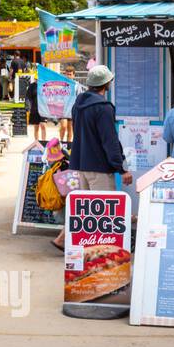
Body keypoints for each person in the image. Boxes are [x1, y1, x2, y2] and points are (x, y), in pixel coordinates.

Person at [53, 64, 132, 248]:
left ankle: (64, 239)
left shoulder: (78, 104)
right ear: (106, 84)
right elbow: (109, 140)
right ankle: (101, 250)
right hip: (99, 167)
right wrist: (121, 168)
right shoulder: (103, 107)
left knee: (84, 210)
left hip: (80, 164)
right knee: (104, 211)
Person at [23, 75, 46, 142]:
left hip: (43, 109)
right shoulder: (32, 86)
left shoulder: (45, 85)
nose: (37, 79)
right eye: (36, 78)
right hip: (35, 109)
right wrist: (28, 107)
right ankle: (37, 142)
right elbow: (28, 97)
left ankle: (44, 142)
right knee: (36, 127)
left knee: (43, 125)